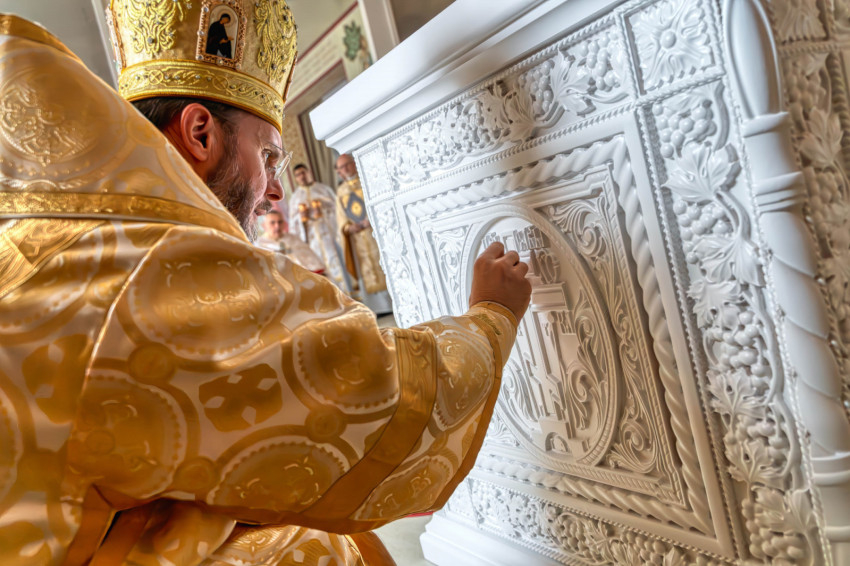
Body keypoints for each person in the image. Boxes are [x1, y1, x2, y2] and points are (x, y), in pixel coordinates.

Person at [0, 6, 530, 566]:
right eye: (268, 156)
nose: (275, 190)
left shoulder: (62, 230)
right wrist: (491, 316)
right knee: (311, 551)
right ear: (200, 133)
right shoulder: (155, 261)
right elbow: (374, 391)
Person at [336, 154, 392, 314]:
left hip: (375, 233)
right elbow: (340, 217)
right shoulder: (341, 191)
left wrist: (372, 219)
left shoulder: (367, 181)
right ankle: (379, 308)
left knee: (383, 263)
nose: (345, 169)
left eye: (347, 164)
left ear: (354, 163)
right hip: (358, 238)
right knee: (366, 269)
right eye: (341, 167)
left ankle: (392, 302)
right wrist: (348, 227)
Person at [289, 162, 352, 292]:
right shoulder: (294, 199)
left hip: (329, 235)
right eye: (298, 175)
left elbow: (338, 211)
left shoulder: (324, 190)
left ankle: (347, 293)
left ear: (309, 173)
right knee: (320, 268)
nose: (301, 176)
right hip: (312, 240)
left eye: (303, 173)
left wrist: (322, 210)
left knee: (337, 263)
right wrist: (302, 219)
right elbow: (293, 225)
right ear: (295, 178)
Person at [257, 209, 326, 274]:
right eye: (272, 223)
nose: (277, 226)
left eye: (280, 222)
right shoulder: (259, 246)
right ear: (264, 225)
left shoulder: (293, 239)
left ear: (284, 223)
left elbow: (314, 263)